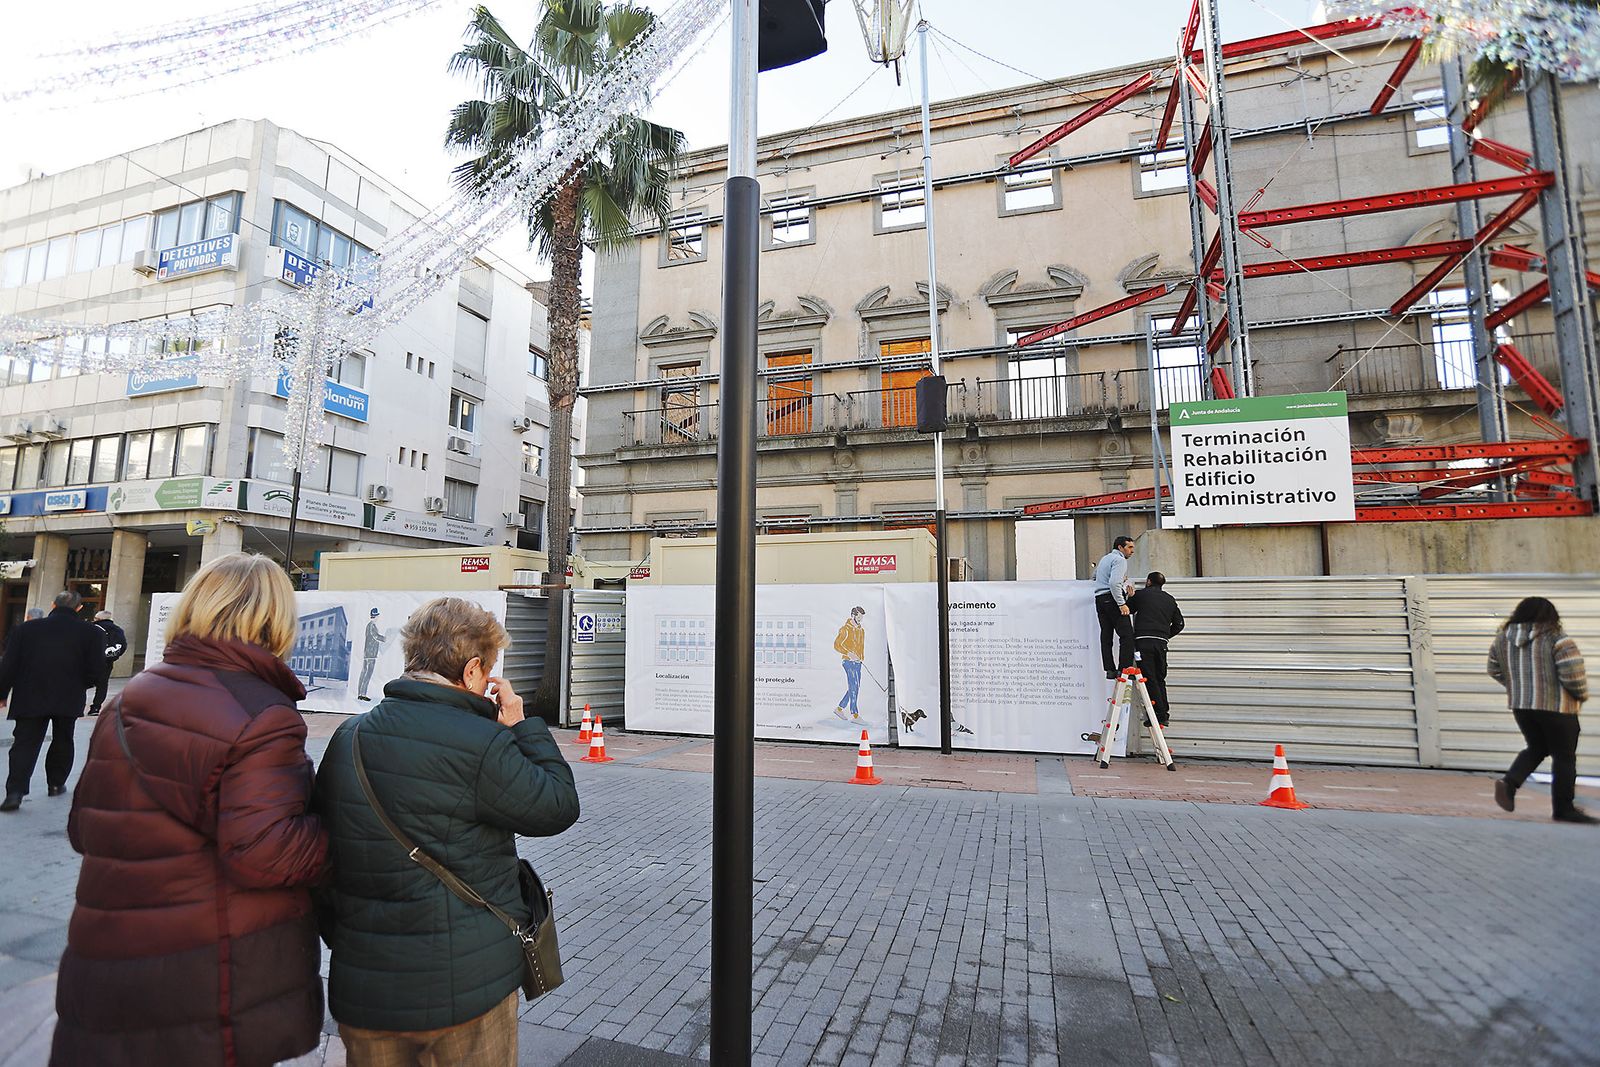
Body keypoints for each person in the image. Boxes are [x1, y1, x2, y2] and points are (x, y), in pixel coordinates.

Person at [49, 553, 329, 1066]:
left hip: (108, 957)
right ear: (274, 619)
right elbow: (265, 854)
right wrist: (335, 831)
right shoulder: (263, 715)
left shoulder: (129, 697)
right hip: (205, 973)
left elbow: (83, 829)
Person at [314, 597, 579, 1066]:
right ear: (473, 670)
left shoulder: (348, 737)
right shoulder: (484, 743)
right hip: (466, 992)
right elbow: (557, 806)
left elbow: (322, 863)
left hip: (366, 992)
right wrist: (520, 724)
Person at [1488, 596, 1591, 824]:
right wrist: (1581, 695)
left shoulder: (1501, 640)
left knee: (1537, 747)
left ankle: (1509, 784)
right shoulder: (1558, 640)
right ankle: (1564, 810)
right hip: (1557, 707)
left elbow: (1493, 669)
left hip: (1522, 706)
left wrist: (1518, 688)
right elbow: (1573, 675)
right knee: (1564, 757)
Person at [0, 591, 105, 811]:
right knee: (63, 739)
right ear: (78, 608)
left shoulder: (25, 629)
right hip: (68, 694)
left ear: (52, 605)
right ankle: (56, 784)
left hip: (30, 694)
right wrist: (82, 684)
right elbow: (97, 670)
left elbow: (9, 665)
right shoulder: (90, 632)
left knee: (24, 743)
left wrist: (2, 693)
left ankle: (15, 792)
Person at [1127, 572, 1185, 727]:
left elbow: (1128, 610)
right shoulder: (1170, 600)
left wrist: (1130, 597)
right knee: (1160, 678)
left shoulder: (1141, 595)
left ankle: (1157, 715)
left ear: (1148, 581)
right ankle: (1163, 713)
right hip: (1161, 644)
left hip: (1143, 642)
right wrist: (1165, 635)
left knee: (1148, 678)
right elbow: (1179, 624)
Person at [1092, 535, 1137, 679]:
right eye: (1129, 547)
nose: (1132, 551)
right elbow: (1113, 583)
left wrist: (1113, 579)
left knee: (1106, 635)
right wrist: (1122, 603)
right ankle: (1124, 669)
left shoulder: (1105, 558)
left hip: (1100, 599)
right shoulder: (1120, 560)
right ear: (1120, 547)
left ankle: (1110, 669)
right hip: (1112, 599)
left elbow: (1094, 576)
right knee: (1127, 635)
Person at [88, 609, 128, 717]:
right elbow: (122, 645)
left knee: (82, 684)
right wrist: (112, 657)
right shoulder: (118, 630)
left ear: (98, 619)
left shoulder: (92, 628)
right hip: (107, 662)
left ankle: (80, 705)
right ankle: (95, 707)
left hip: (90, 662)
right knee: (102, 685)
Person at [832, 606, 867, 722]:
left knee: (855, 687)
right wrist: (848, 653)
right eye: (858, 616)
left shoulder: (861, 630)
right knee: (854, 685)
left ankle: (839, 708)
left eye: (862, 617)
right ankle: (854, 714)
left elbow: (861, 646)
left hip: (858, 663)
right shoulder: (845, 629)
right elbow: (837, 645)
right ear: (853, 615)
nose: (860, 619)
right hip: (848, 662)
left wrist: (861, 658)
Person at [357, 607, 386, 701]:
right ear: (375, 616)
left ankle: (360, 694)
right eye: (377, 616)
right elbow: (376, 636)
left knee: (364, 673)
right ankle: (363, 694)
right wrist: (385, 639)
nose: (378, 618)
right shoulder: (372, 626)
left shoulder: (369, 625)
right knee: (368, 674)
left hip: (367, 653)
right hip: (371, 654)